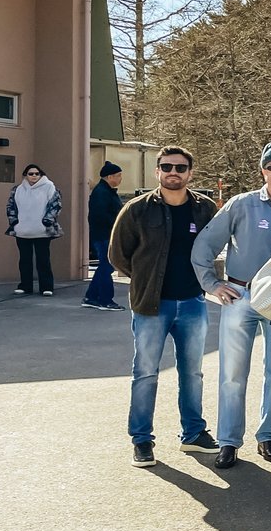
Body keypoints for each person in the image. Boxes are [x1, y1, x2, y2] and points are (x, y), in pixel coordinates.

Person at [191, 141, 271, 469]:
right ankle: (229, 442)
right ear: (263, 171)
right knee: (232, 374)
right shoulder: (240, 205)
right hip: (239, 296)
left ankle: (268, 436)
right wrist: (212, 284)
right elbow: (204, 245)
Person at [110, 146, 219, 467]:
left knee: (193, 372)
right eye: (167, 167)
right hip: (150, 306)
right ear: (157, 171)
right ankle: (142, 440)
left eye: (180, 168)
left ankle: (193, 434)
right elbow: (118, 255)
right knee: (145, 373)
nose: (174, 172)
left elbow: (214, 248)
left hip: (193, 303)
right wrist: (145, 279)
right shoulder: (136, 210)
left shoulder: (205, 209)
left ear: (190, 173)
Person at [6, 163, 61, 295]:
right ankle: (25, 286)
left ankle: (46, 287)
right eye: (31, 174)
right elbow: (11, 207)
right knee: (24, 260)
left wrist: (46, 222)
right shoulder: (18, 189)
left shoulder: (49, 187)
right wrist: (15, 223)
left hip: (42, 232)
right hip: (22, 231)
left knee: (43, 260)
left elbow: (55, 206)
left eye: (37, 173)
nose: (34, 176)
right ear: (26, 175)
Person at [83, 161, 124, 310]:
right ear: (110, 176)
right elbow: (99, 216)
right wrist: (117, 224)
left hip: (105, 235)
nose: (120, 179)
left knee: (105, 266)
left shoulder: (105, 191)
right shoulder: (101, 192)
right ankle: (105, 300)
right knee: (107, 266)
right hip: (104, 235)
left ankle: (91, 297)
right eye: (118, 176)